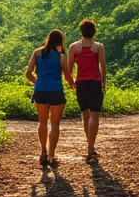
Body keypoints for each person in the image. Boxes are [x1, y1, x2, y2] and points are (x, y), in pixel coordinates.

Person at [24, 28, 73, 167]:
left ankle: (43, 151)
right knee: (55, 124)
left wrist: (37, 82)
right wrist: (73, 85)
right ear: (60, 42)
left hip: (40, 91)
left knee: (42, 122)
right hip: (56, 91)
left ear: (48, 39)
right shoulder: (61, 56)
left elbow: (28, 73)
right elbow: (67, 76)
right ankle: (52, 156)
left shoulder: (37, 53)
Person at [68, 18, 106, 163]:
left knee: (85, 114)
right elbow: (103, 67)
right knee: (94, 114)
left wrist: (72, 83)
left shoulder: (73, 47)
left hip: (81, 84)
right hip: (94, 83)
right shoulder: (98, 47)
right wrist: (104, 83)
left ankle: (89, 145)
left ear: (81, 31)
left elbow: (69, 68)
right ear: (94, 32)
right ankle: (91, 147)